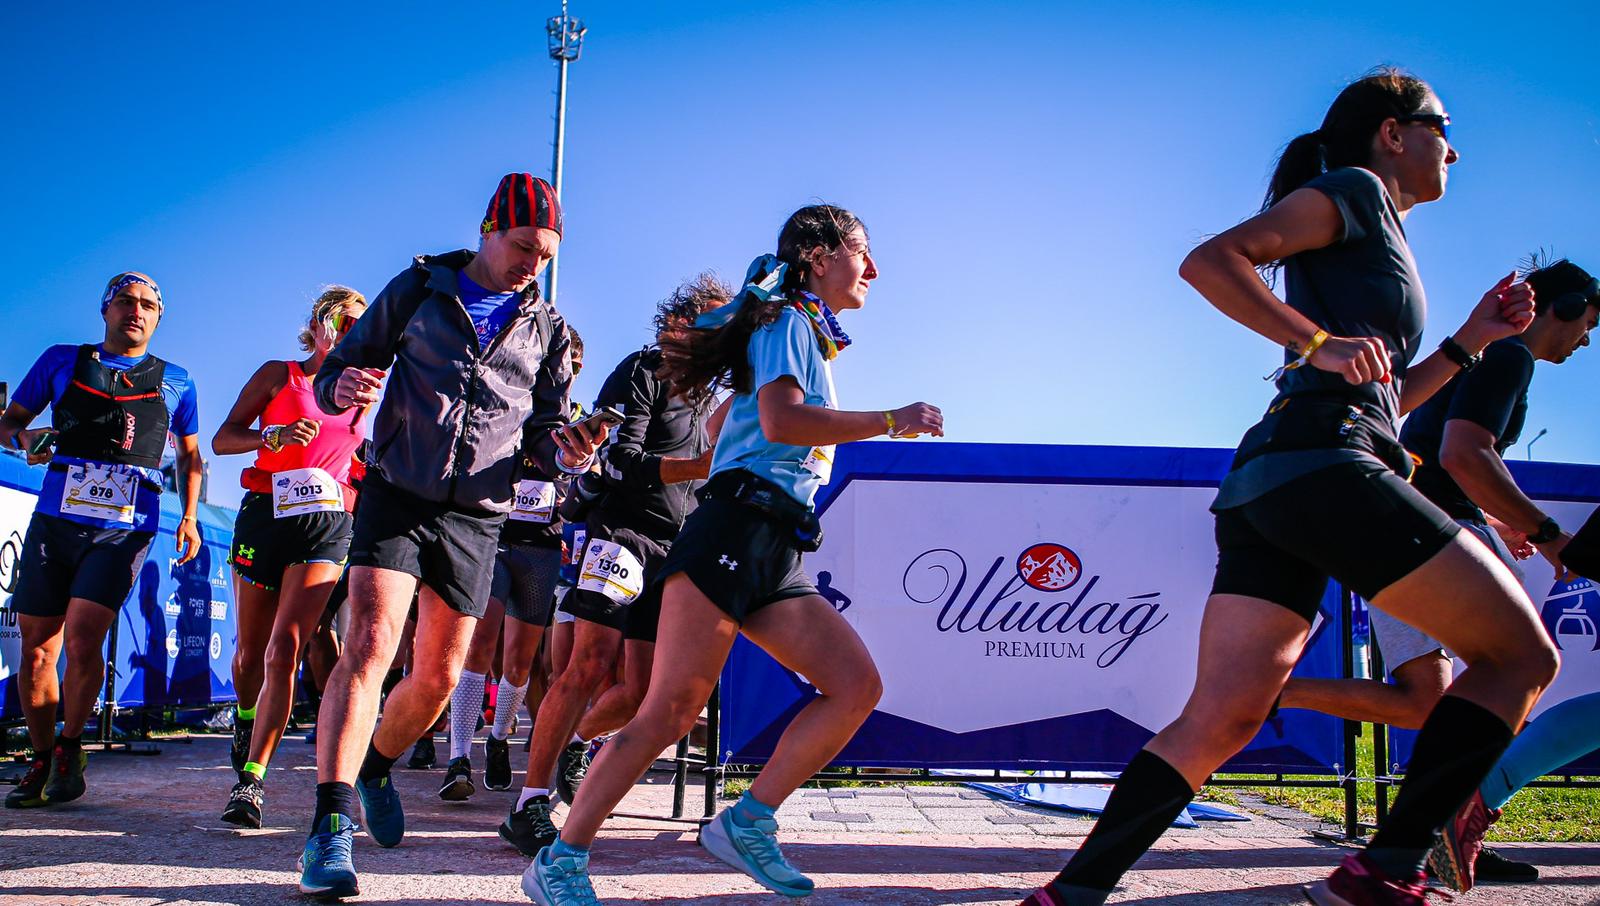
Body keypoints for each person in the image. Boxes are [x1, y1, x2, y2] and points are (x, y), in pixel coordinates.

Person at [1023, 69, 1558, 906]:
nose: (1453, 149)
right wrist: (1314, 343)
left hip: (1278, 477)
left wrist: (1468, 342)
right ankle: (1387, 869)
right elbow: (1210, 261)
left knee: (1226, 714)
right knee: (1522, 656)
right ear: (1392, 132)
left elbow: (1384, 395)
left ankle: (1072, 894)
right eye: (1442, 126)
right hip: (1326, 461)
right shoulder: (1354, 191)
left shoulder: (1375, 228)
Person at [521, 204, 944, 905]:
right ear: (818, 257)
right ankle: (559, 861)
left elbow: (733, 421)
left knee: (856, 687)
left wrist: (735, 427)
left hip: (774, 545)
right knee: (667, 712)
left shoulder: (800, 332)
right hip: (732, 531)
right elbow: (781, 420)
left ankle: (747, 821)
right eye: (862, 251)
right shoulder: (788, 321)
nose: (873, 268)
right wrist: (890, 420)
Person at [295, 173, 608, 900]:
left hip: (478, 514)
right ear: (488, 230)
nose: (532, 263)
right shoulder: (419, 288)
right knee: (371, 644)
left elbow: (544, 432)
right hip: (398, 491)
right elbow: (340, 366)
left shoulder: (549, 329)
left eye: (546, 254)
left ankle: (375, 765)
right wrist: (338, 388)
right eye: (524, 246)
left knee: (436, 681)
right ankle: (329, 829)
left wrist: (569, 450)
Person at [1280, 257, 1594, 735]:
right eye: (1590, 324)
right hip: (1422, 532)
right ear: (1566, 308)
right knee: (1526, 666)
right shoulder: (1510, 357)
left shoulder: (1492, 359)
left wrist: (1497, 524)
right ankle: (1479, 778)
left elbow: (1435, 459)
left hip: (1397, 529)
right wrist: (1546, 534)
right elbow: (1464, 455)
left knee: (1424, 703)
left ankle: (1272, 691)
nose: (1587, 341)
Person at [500, 275, 731, 857]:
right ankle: (528, 804)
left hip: (675, 549)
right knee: (587, 664)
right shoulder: (641, 370)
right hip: (620, 533)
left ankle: (578, 744)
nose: (720, 335)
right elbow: (622, 462)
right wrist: (699, 466)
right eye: (710, 323)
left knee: (641, 692)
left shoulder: (712, 397)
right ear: (678, 323)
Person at [1, 272, 203, 809]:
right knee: (37, 650)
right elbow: (10, 422)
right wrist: (24, 437)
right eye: (126, 301)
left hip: (124, 526)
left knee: (84, 638)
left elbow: (189, 455)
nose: (136, 311)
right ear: (105, 309)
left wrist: (189, 516)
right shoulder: (61, 360)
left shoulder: (177, 380)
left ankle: (70, 748)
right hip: (56, 518)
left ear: (158, 318)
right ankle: (41, 758)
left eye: (148, 305)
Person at [212, 286, 370, 828]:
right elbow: (223, 439)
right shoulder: (280, 375)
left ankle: (252, 781)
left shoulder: (368, 392)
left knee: (285, 651)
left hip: (327, 525)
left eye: (361, 326)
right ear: (319, 324)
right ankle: (246, 715)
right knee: (249, 655)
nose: (351, 333)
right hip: (266, 513)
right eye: (343, 322)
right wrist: (272, 436)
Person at [441, 329, 585, 801]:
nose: (562, 373)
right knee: (479, 646)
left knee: (520, 662)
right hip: (496, 540)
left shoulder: (581, 422)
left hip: (542, 549)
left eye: (571, 367)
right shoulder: (510, 404)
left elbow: (587, 487)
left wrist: (574, 489)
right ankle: (458, 757)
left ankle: (500, 738)